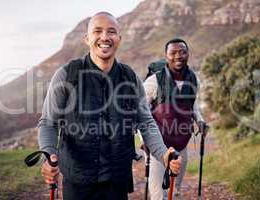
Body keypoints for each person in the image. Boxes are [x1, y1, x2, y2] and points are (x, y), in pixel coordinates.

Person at [38, 12, 181, 200]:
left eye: (111, 32)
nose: (105, 37)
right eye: (98, 31)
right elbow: (48, 123)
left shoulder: (130, 79)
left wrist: (163, 154)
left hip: (117, 182)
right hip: (78, 184)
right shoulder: (66, 75)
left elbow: (145, 122)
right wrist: (49, 154)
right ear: (87, 38)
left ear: (119, 39)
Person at [143, 38, 207, 199]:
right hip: (158, 144)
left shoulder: (194, 80)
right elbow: (140, 113)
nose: (178, 56)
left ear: (188, 54)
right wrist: (144, 140)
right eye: (173, 53)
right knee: (158, 194)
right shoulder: (154, 81)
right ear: (166, 56)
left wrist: (199, 120)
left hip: (181, 143)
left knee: (174, 188)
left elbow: (193, 105)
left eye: (182, 52)